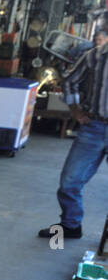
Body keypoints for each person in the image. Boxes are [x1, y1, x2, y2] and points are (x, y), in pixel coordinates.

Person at [38, 26, 108, 241]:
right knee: (70, 180)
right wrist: (75, 110)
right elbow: (69, 80)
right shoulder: (96, 55)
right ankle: (70, 224)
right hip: (94, 127)